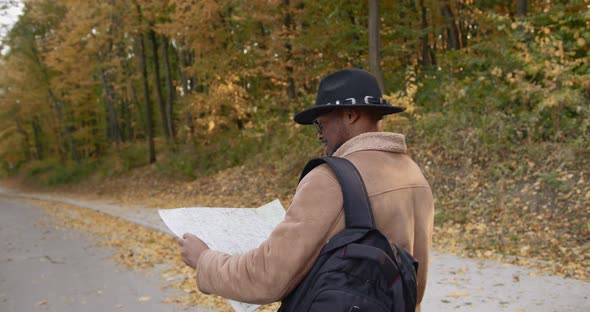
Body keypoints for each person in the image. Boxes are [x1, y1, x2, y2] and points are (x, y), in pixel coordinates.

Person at [178, 68, 434, 311]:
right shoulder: (413, 173)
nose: (319, 135)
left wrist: (205, 260)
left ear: (350, 115)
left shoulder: (330, 179)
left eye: (321, 125)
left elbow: (267, 276)